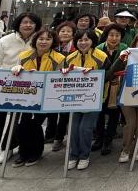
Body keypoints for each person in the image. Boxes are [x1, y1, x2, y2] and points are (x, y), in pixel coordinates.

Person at [0, 12, 41, 166]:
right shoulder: (6, 40)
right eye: (25, 22)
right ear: (18, 24)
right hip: (3, 84)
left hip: (25, 85)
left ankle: (7, 147)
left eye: (31, 22)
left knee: (16, 118)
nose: (28, 25)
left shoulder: (37, 41)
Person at [10, 29, 65, 167]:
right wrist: (16, 69)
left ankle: (35, 152)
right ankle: (23, 153)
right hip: (26, 98)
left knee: (35, 124)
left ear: (53, 42)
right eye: (41, 39)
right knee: (22, 125)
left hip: (46, 98)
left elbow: (58, 80)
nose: (44, 42)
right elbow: (17, 73)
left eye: (48, 39)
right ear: (35, 40)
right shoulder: (24, 56)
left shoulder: (59, 58)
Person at [63, 30, 109, 170]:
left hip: (93, 99)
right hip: (74, 98)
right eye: (80, 40)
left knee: (85, 128)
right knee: (73, 127)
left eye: (86, 40)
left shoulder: (101, 57)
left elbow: (106, 76)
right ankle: (73, 155)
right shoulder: (70, 58)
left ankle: (84, 155)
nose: (83, 43)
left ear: (93, 41)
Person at [107, 31, 138, 163]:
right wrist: (122, 59)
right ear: (135, 43)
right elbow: (111, 73)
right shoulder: (127, 54)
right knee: (130, 122)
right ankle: (125, 148)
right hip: (127, 93)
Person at [94, 24, 128, 155]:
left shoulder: (125, 49)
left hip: (117, 87)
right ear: (106, 36)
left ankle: (108, 141)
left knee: (114, 115)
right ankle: (99, 139)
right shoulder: (99, 48)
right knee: (99, 115)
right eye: (111, 35)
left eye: (117, 35)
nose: (114, 38)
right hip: (101, 86)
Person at [45, 21, 77, 151]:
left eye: (68, 31)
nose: (65, 33)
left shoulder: (76, 47)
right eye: (62, 31)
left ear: (73, 34)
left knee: (64, 112)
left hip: (69, 84)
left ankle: (59, 138)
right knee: (51, 110)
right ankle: (50, 134)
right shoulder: (52, 46)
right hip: (53, 83)